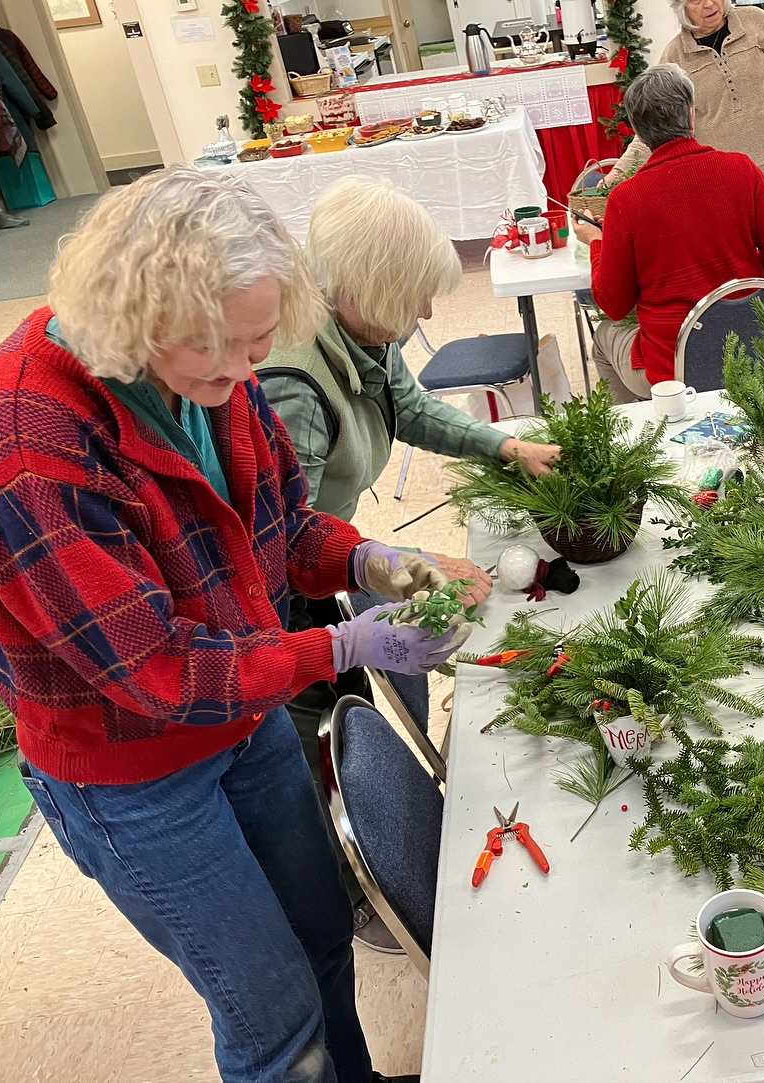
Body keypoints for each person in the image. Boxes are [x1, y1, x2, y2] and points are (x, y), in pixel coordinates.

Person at [0, 166, 466, 1083]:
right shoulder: (24, 439)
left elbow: (285, 525)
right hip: (133, 770)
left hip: (244, 714)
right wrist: (342, 644)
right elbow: (157, 669)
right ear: (133, 317)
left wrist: (368, 560)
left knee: (322, 941)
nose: (244, 368)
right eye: (222, 347)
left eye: (258, 341)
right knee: (274, 1019)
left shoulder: (215, 372)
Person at [258, 174, 558, 952]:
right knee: (319, 737)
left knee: (352, 697)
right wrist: (399, 565)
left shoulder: (362, 328)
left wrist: (506, 445)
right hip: (279, 599)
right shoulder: (292, 387)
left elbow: (409, 407)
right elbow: (283, 544)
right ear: (359, 289)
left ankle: (384, 832)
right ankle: (359, 886)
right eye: (413, 296)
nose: (426, 313)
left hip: (334, 561)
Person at [607, 0, 764, 362]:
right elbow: (653, 130)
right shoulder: (674, 58)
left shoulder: (756, 22)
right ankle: (756, 327)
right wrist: (615, 175)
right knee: (739, 258)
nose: (709, 3)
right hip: (730, 181)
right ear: (681, 8)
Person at [575, 63, 764, 403]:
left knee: (604, 337)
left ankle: (644, 428)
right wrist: (736, 276)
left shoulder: (626, 199)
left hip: (676, 369)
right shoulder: (741, 168)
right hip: (754, 349)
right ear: (691, 116)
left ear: (639, 132)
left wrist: (597, 242)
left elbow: (614, 304)